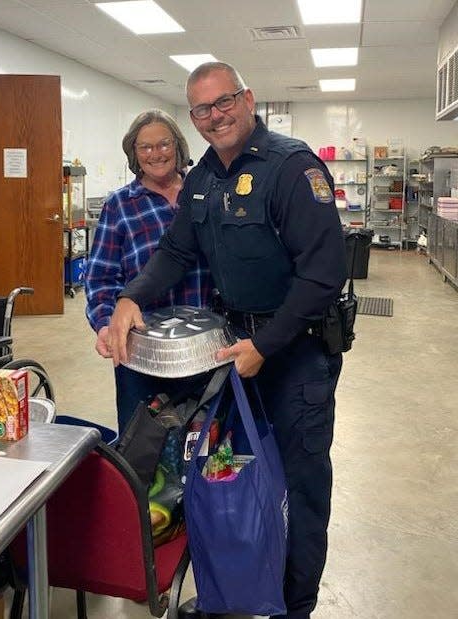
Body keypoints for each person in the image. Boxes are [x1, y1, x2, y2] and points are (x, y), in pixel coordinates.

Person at [107, 63, 347, 618]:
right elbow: (175, 252)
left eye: (224, 102)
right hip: (236, 352)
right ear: (193, 118)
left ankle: (293, 608)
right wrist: (130, 298)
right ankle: (241, 595)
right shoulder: (204, 177)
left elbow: (323, 274)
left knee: (300, 487)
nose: (215, 117)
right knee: (236, 475)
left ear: (248, 98)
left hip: (296, 355)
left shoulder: (291, 167)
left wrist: (266, 347)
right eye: (202, 109)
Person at [85, 109, 212, 434]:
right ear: (135, 154)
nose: (156, 153)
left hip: (206, 348)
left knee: (208, 445)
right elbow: (100, 280)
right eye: (145, 147)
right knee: (142, 449)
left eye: (164, 144)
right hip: (143, 352)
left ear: (178, 147)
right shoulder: (120, 205)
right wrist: (105, 324)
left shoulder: (203, 195)